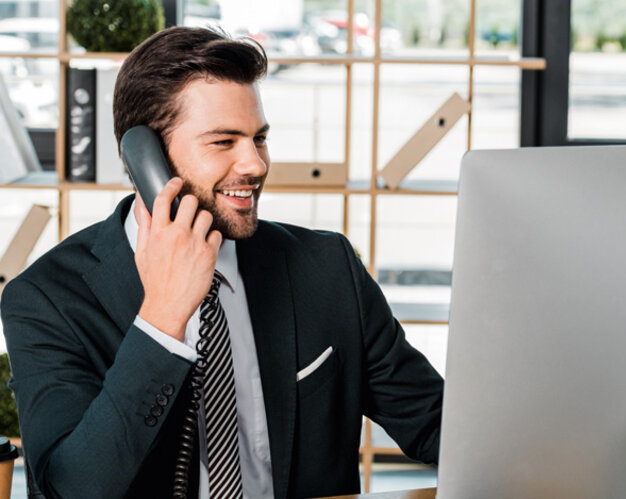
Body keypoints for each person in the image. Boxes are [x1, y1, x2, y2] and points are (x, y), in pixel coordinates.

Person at [0, 26, 443, 499]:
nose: (255, 164)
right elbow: (71, 489)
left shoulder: (328, 268)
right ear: (146, 158)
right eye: (223, 142)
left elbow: (438, 426)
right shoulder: (47, 298)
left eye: (259, 138)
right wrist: (162, 318)